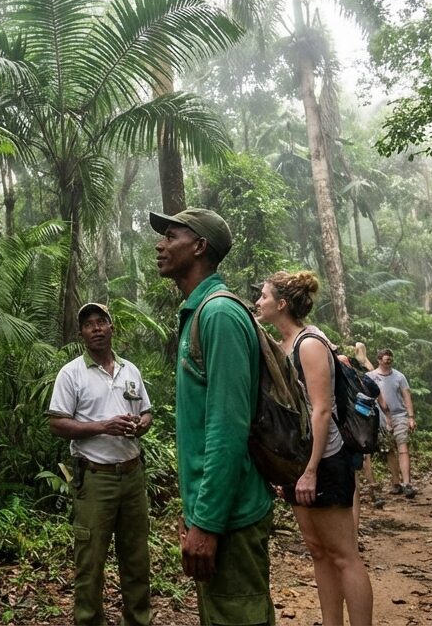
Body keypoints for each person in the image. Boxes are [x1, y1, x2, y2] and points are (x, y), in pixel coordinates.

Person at [152, 208, 276, 626]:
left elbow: (227, 427)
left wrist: (206, 522)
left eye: (171, 236)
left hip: (232, 516)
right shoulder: (200, 311)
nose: (160, 245)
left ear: (200, 247)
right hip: (218, 513)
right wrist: (196, 512)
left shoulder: (219, 314)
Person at [255, 271, 373, 626]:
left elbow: (321, 410)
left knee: (344, 555)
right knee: (319, 552)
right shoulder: (283, 345)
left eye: (264, 296)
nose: (258, 302)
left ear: (281, 304)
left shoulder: (309, 344)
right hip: (299, 462)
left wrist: (310, 471)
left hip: (325, 460)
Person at [48, 302, 154, 626]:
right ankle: (89, 620)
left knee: (137, 558)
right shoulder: (71, 373)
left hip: (132, 475)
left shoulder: (130, 370)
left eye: (100, 322)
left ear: (111, 328)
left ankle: (138, 620)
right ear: (81, 333)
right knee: (90, 560)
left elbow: (147, 412)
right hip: (95, 478)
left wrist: (141, 424)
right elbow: (57, 423)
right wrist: (102, 426)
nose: (95, 328)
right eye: (88, 324)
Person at [368, 349, 417, 498]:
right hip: (381, 418)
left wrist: (411, 417)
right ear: (379, 360)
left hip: (400, 415)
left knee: (403, 448)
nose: (388, 362)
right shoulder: (371, 376)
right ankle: (396, 482)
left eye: (390, 360)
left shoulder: (399, 376)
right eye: (386, 360)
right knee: (389, 450)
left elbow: (406, 396)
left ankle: (407, 483)